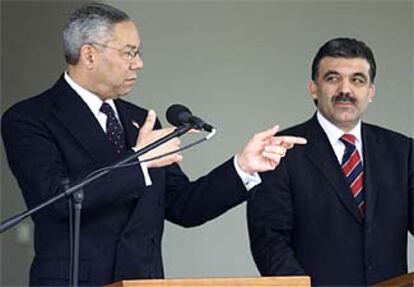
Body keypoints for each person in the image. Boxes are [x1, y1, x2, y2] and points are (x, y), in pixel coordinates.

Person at [1, 3, 306, 286]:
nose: (139, 63)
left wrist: (241, 166)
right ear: (90, 55)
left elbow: (184, 207)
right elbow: (57, 198)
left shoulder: (139, 120)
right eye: (129, 53)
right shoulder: (30, 118)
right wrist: (138, 161)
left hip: (141, 282)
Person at [247, 37, 414, 286]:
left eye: (357, 80)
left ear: (371, 92)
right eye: (333, 78)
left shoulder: (402, 150)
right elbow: (269, 242)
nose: (345, 90)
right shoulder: (279, 152)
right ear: (314, 88)